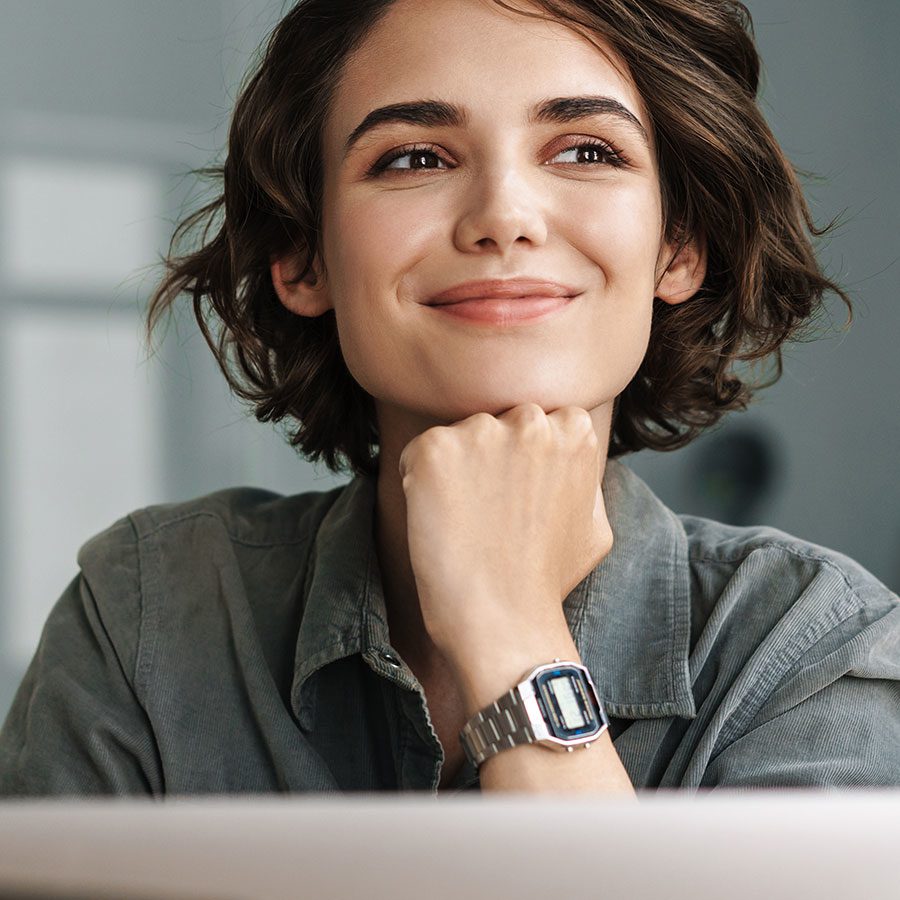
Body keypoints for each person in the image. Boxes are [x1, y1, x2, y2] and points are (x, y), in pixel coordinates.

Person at [1, 0, 898, 797]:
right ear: (303, 257)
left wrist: (509, 627)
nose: (504, 214)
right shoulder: (145, 612)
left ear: (679, 249)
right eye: (414, 157)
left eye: (587, 150)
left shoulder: (809, 648)